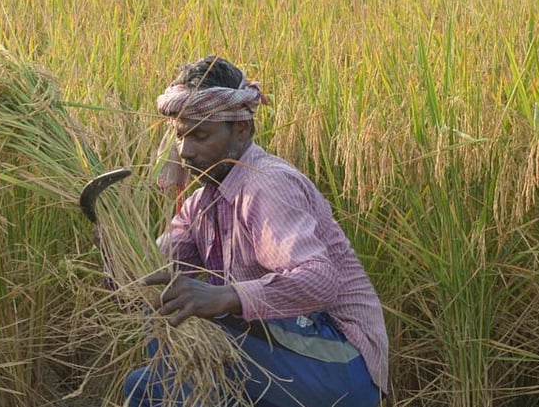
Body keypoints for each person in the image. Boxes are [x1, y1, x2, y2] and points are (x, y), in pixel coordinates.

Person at [122, 56, 388, 407]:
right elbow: (159, 276)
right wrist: (117, 243)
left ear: (242, 130)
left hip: (340, 367)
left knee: (185, 359)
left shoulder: (266, 184)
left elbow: (320, 280)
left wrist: (225, 297)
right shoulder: (202, 201)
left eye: (200, 136)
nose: (185, 151)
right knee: (147, 381)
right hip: (281, 356)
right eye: (181, 136)